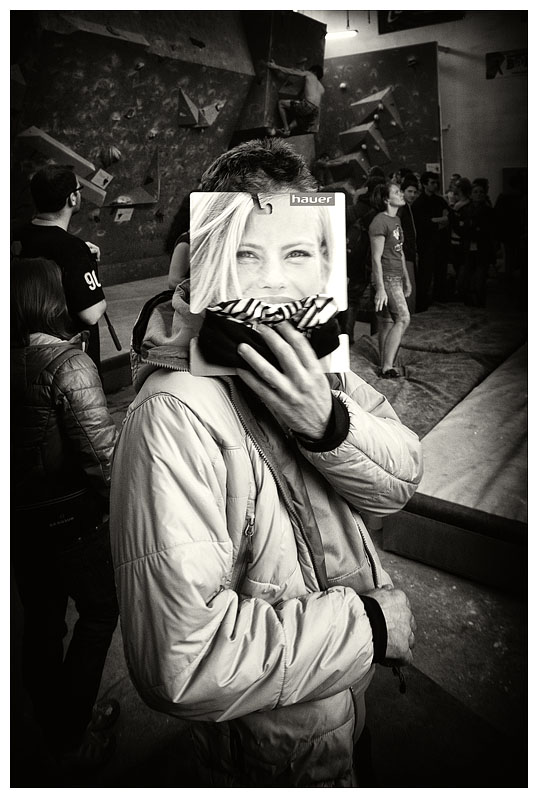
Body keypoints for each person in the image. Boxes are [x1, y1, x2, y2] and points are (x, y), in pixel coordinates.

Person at [110, 138, 422, 788]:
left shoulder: (315, 367)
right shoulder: (174, 415)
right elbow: (181, 662)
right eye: (248, 254)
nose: (276, 280)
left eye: (297, 253)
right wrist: (367, 625)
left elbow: (400, 479)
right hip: (267, 754)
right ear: (199, 261)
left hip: (339, 716)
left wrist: (326, 424)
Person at [11, 258, 120, 771]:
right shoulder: (66, 363)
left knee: (42, 623)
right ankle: (71, 732)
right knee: (100, 611)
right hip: (71, 520)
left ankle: (53, 722)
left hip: (20, 523)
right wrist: (125, 503)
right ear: (52, 300)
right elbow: (102, 456)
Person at [15, 164, 107, 369]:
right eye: (78, 190)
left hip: (26, 358)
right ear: (72, 198)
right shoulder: (72, 249)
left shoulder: (17, 237)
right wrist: (83, 262)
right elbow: (91, 313)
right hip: (69, 363)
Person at [369, 182, 412, 378]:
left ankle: (385, 363)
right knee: (403, 318)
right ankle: (387, 366)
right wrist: (380, 288)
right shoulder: (379, 222)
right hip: (387, 278)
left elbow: (399, 252)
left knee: (387, 322)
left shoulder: (396, 220)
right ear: (386, 199)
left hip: (395, 277)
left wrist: (406, 279)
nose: (401, 194)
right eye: (396, 192)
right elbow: (375, 257)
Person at [412, 171, 450, 311]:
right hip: (426, 242)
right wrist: (438, 221)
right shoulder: (419, 203)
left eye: (436, 182)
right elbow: (423, 223)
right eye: (432, 183)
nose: (435, 185)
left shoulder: (440, 200)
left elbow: (447, 217)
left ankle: (439, 295)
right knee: (426, 272)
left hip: (439, 241)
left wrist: (434, 221)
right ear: (424, 184)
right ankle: (423, 299)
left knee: (440, 269)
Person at [458, 182, 497, 307]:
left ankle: (480, 301)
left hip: (482, 247)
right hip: (467, 246)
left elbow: (490, 230)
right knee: (465, 276)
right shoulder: (465, 210)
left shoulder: (489, 211)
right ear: (470, 194)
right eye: (475, 192)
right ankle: (468, 300)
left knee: (480, 277)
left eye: (481, 192)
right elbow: (460, 227)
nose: (478, 194)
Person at [266, 60, 325, 136]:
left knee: (281, 103)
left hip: (307, 106)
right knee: (300, 117)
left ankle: (286, 128)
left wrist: (275, 66)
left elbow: (293, 72)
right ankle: (288, 129)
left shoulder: (310, 74)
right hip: (315, 111)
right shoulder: (321, 88)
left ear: (314, 71)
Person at [397, 175, 419, 313]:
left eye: (414, 192)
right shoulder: (402, 208)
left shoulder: (406, 207)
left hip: (407, 251)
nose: (412, 195)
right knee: (408, 285)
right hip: (404, 252)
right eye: (409, 191)